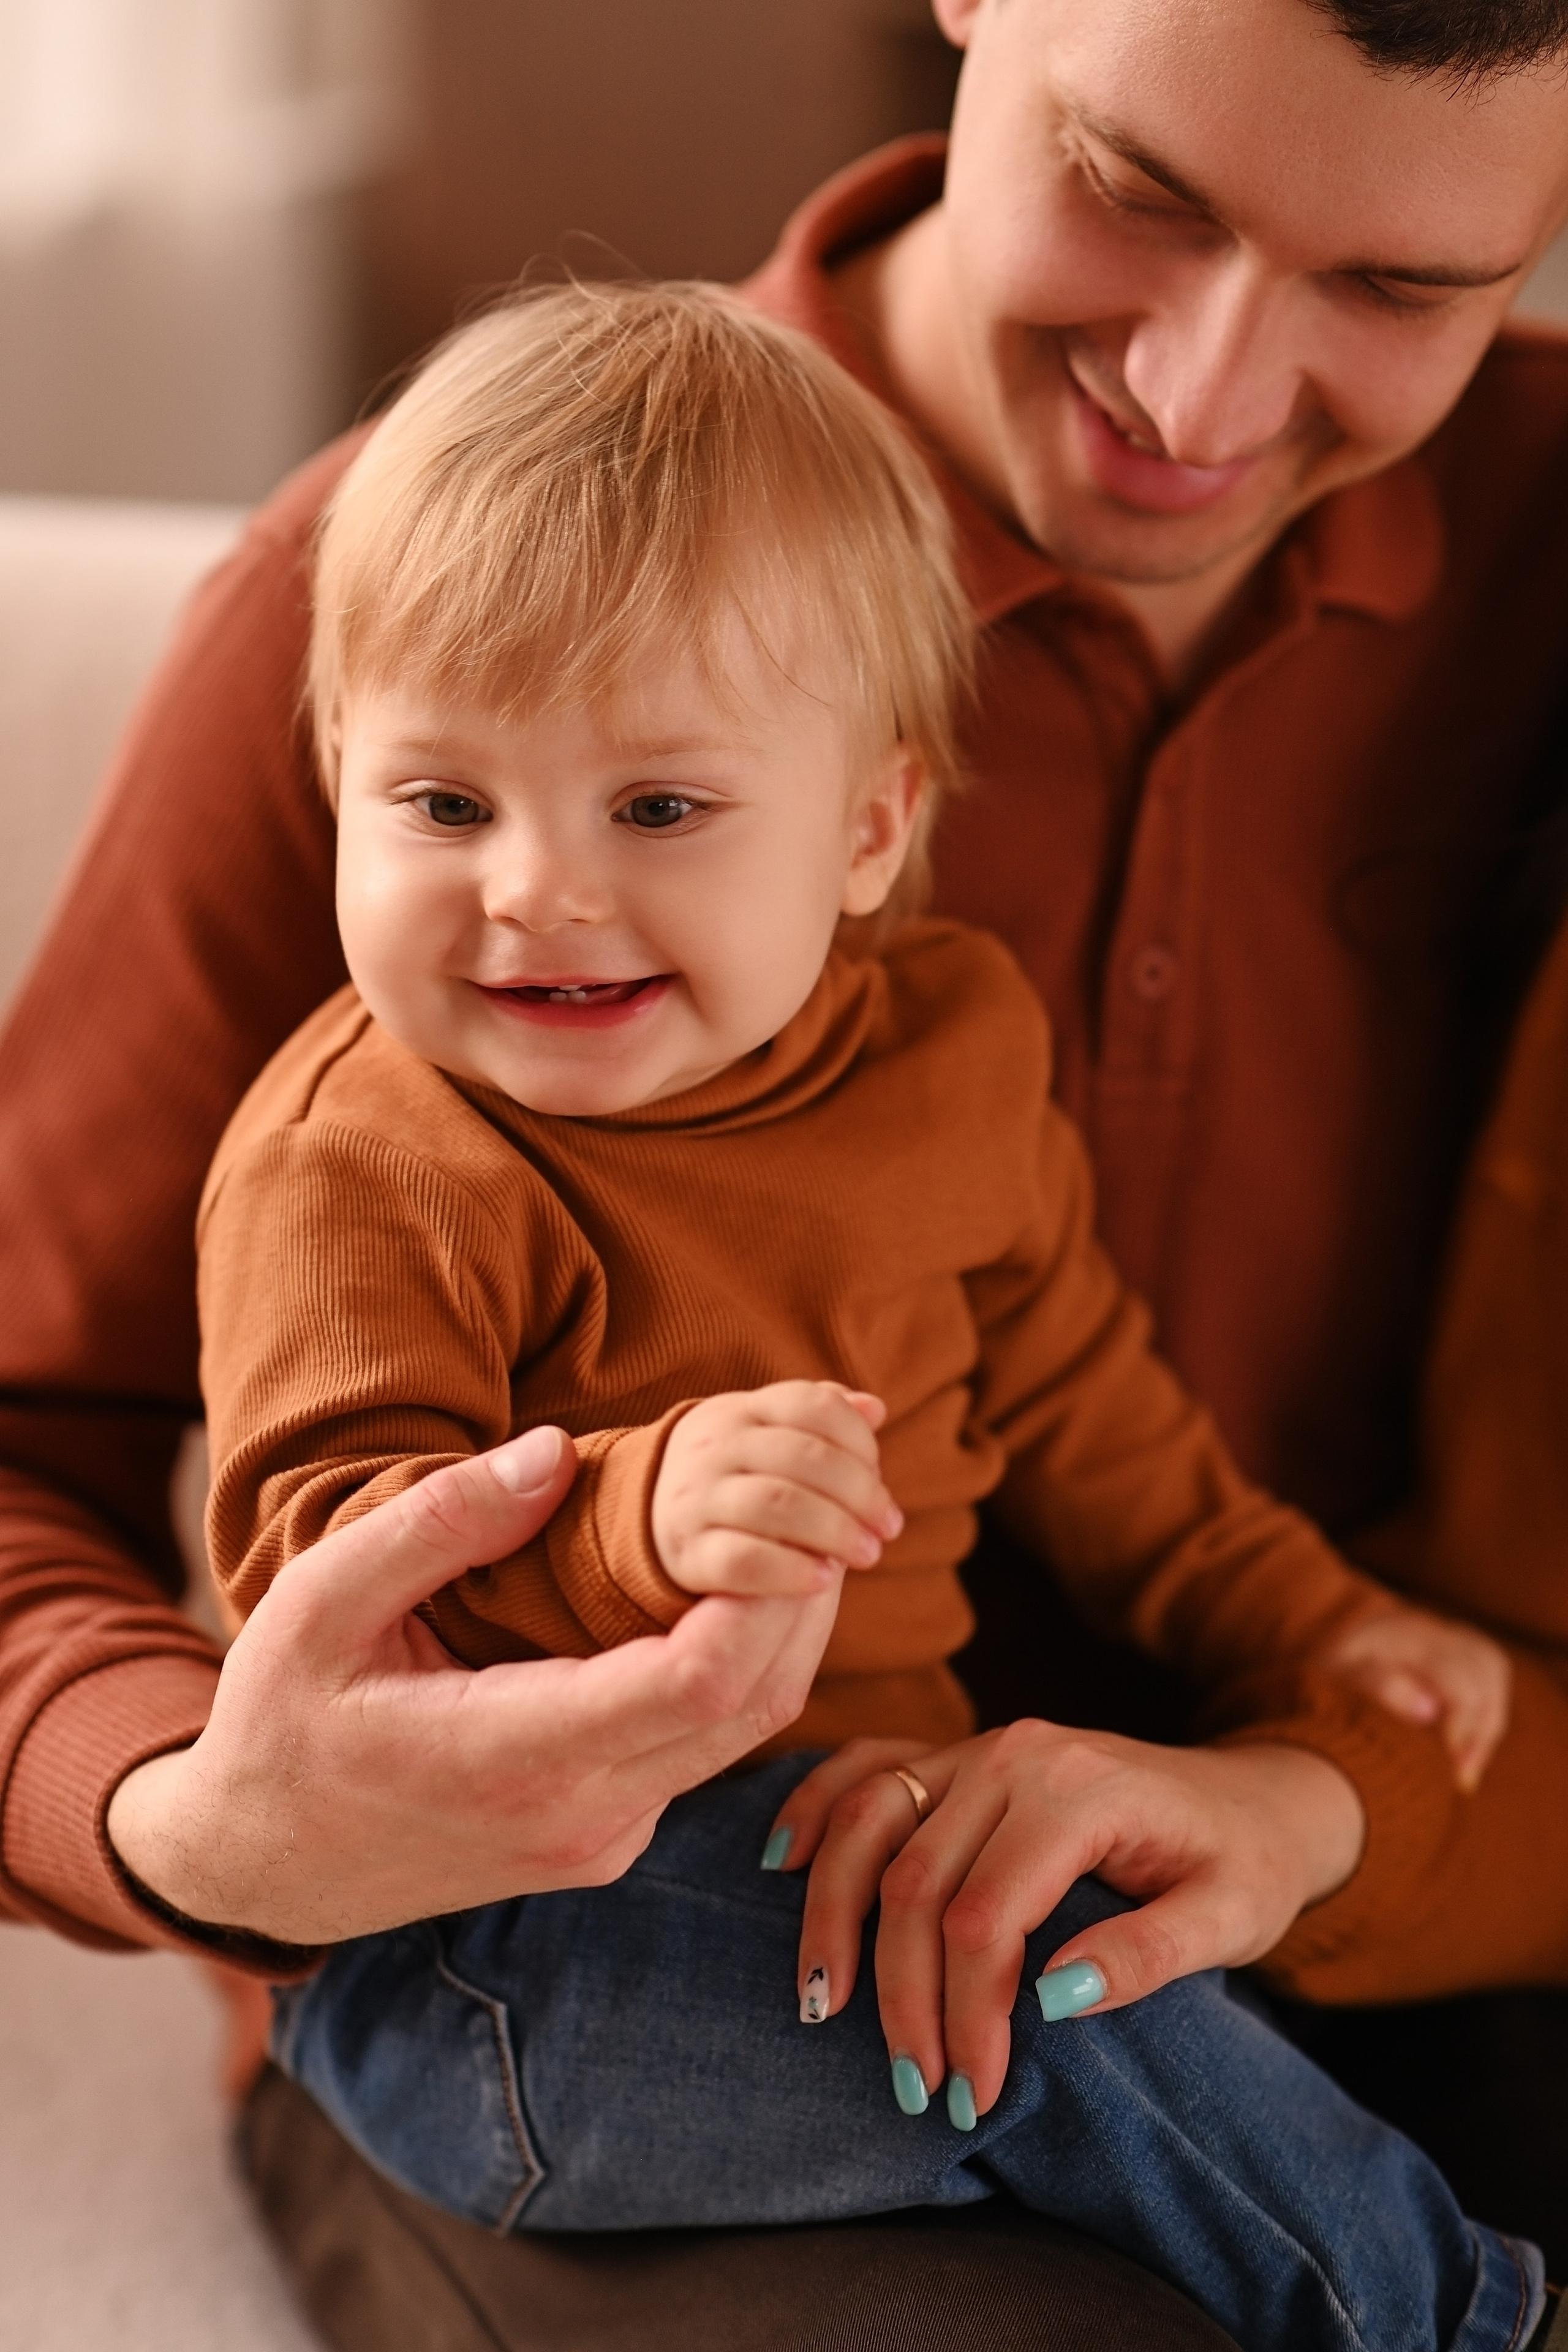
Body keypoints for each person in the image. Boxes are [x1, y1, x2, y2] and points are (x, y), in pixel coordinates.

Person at [4, 0, 1568, 2320]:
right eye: (1138, 190)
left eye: (1402, 288)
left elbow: (1095, 1400)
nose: (1207, 400)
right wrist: (209, 1816)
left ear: (875, 829)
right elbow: (115, 1453)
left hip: (1360, 1905)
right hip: (581, 1941)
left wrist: (1328, 1760)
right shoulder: (412, 598)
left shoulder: (949, 1032)